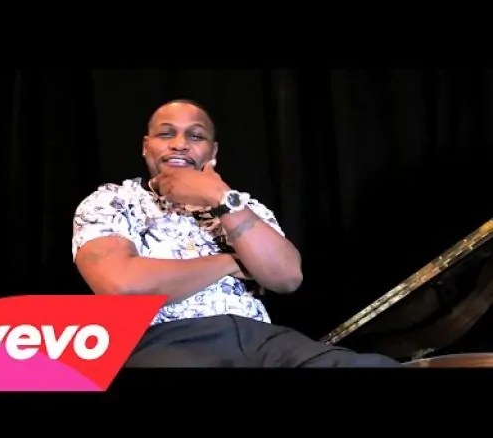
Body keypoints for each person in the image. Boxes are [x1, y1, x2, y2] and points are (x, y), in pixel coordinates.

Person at [71, 99, 401, 367]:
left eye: (195, 136)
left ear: (213, 152)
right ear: (146, 146)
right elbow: (124, 287)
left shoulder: (242, 205)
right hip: (164, 340)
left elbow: (287, 277)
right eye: (166, 134)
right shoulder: (113, 200)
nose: (180, 145)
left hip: (261, 339)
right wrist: (231, 262)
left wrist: (218, 197)